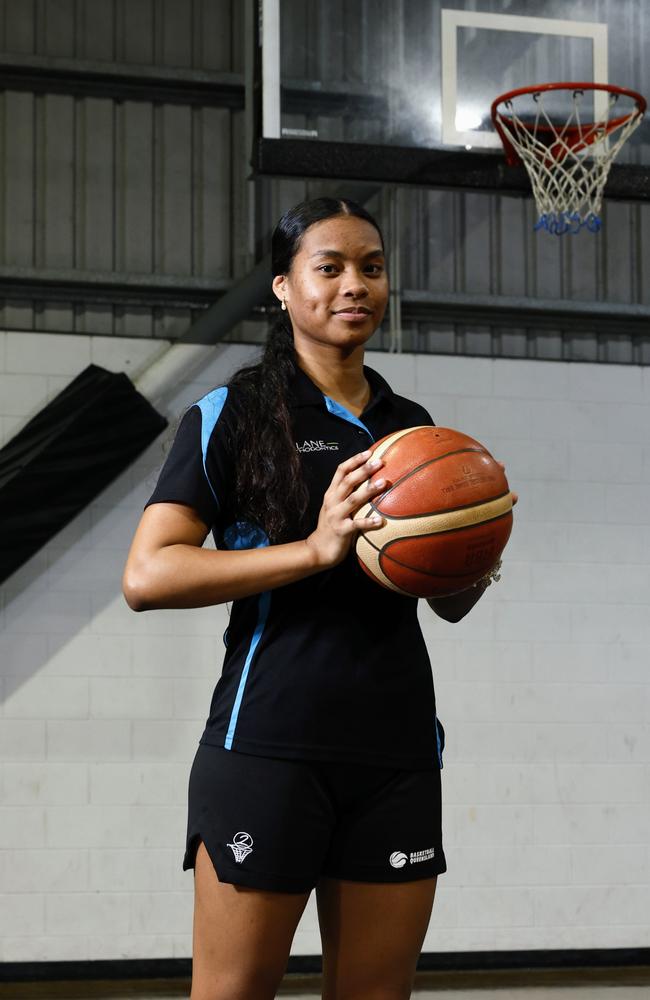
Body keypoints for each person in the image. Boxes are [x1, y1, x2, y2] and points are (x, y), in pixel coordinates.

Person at [122, 197, 505, 1000]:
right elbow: (148, 576)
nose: (354, 284)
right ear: (284, 289)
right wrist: (315, 550)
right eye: (328, 267)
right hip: (267, 747)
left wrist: (470, 555)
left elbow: (448, 606)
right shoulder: (236, 413)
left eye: (370, 266)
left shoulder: (413, 429)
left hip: (396, 753)